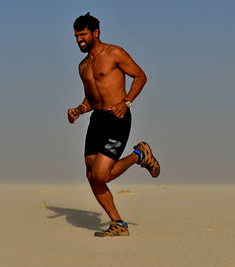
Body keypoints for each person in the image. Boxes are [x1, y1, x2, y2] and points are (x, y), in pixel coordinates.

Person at [67, 13, 160, 237]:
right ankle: (118, 223)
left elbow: (140, 76)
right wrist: (78, 110)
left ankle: (139, 154)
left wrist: (127, 102)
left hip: (117, 118)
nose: (79, 39)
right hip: (96, 120)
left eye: (83, 34)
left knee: (101, 175)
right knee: (91, 175)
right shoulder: (83, 66)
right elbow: (90, 98)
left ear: (95, 33)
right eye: (76, 35)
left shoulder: (114, 53)